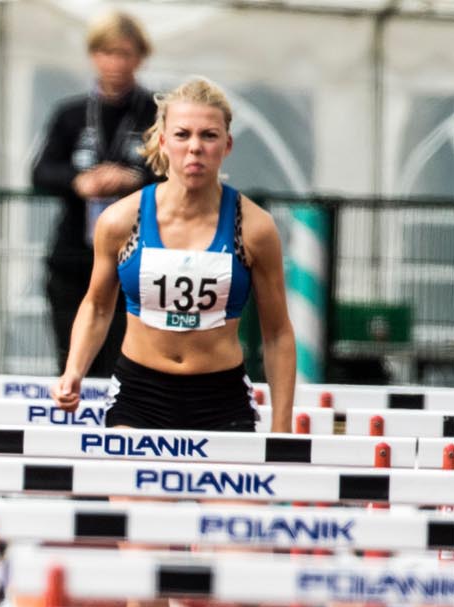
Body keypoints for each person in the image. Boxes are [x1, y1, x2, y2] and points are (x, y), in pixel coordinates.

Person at [51, 77, 296, 435]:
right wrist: (74, 370)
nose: (195, 147)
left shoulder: (255, 228)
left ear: (227, 145)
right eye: (182, 135)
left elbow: (276, 334)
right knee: (134, 491)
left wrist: (282, 427)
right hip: (139, 395)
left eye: (208, 136)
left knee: (240, 495)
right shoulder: (121, 220)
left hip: (220, 397)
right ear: (163, 142)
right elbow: (98, 306)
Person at [31, 11, 158, 378]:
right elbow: (41, 171)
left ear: (139, 57)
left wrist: (131, 179)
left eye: (125, 53)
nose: (116, 63)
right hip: (74, 256)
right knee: (73, 358)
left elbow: (173, 174)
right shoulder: (71, 114)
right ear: (93, 56)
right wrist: (79, 181)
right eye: (107, 52)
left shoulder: (155, 113)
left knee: (125, 364)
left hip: (135, 259)